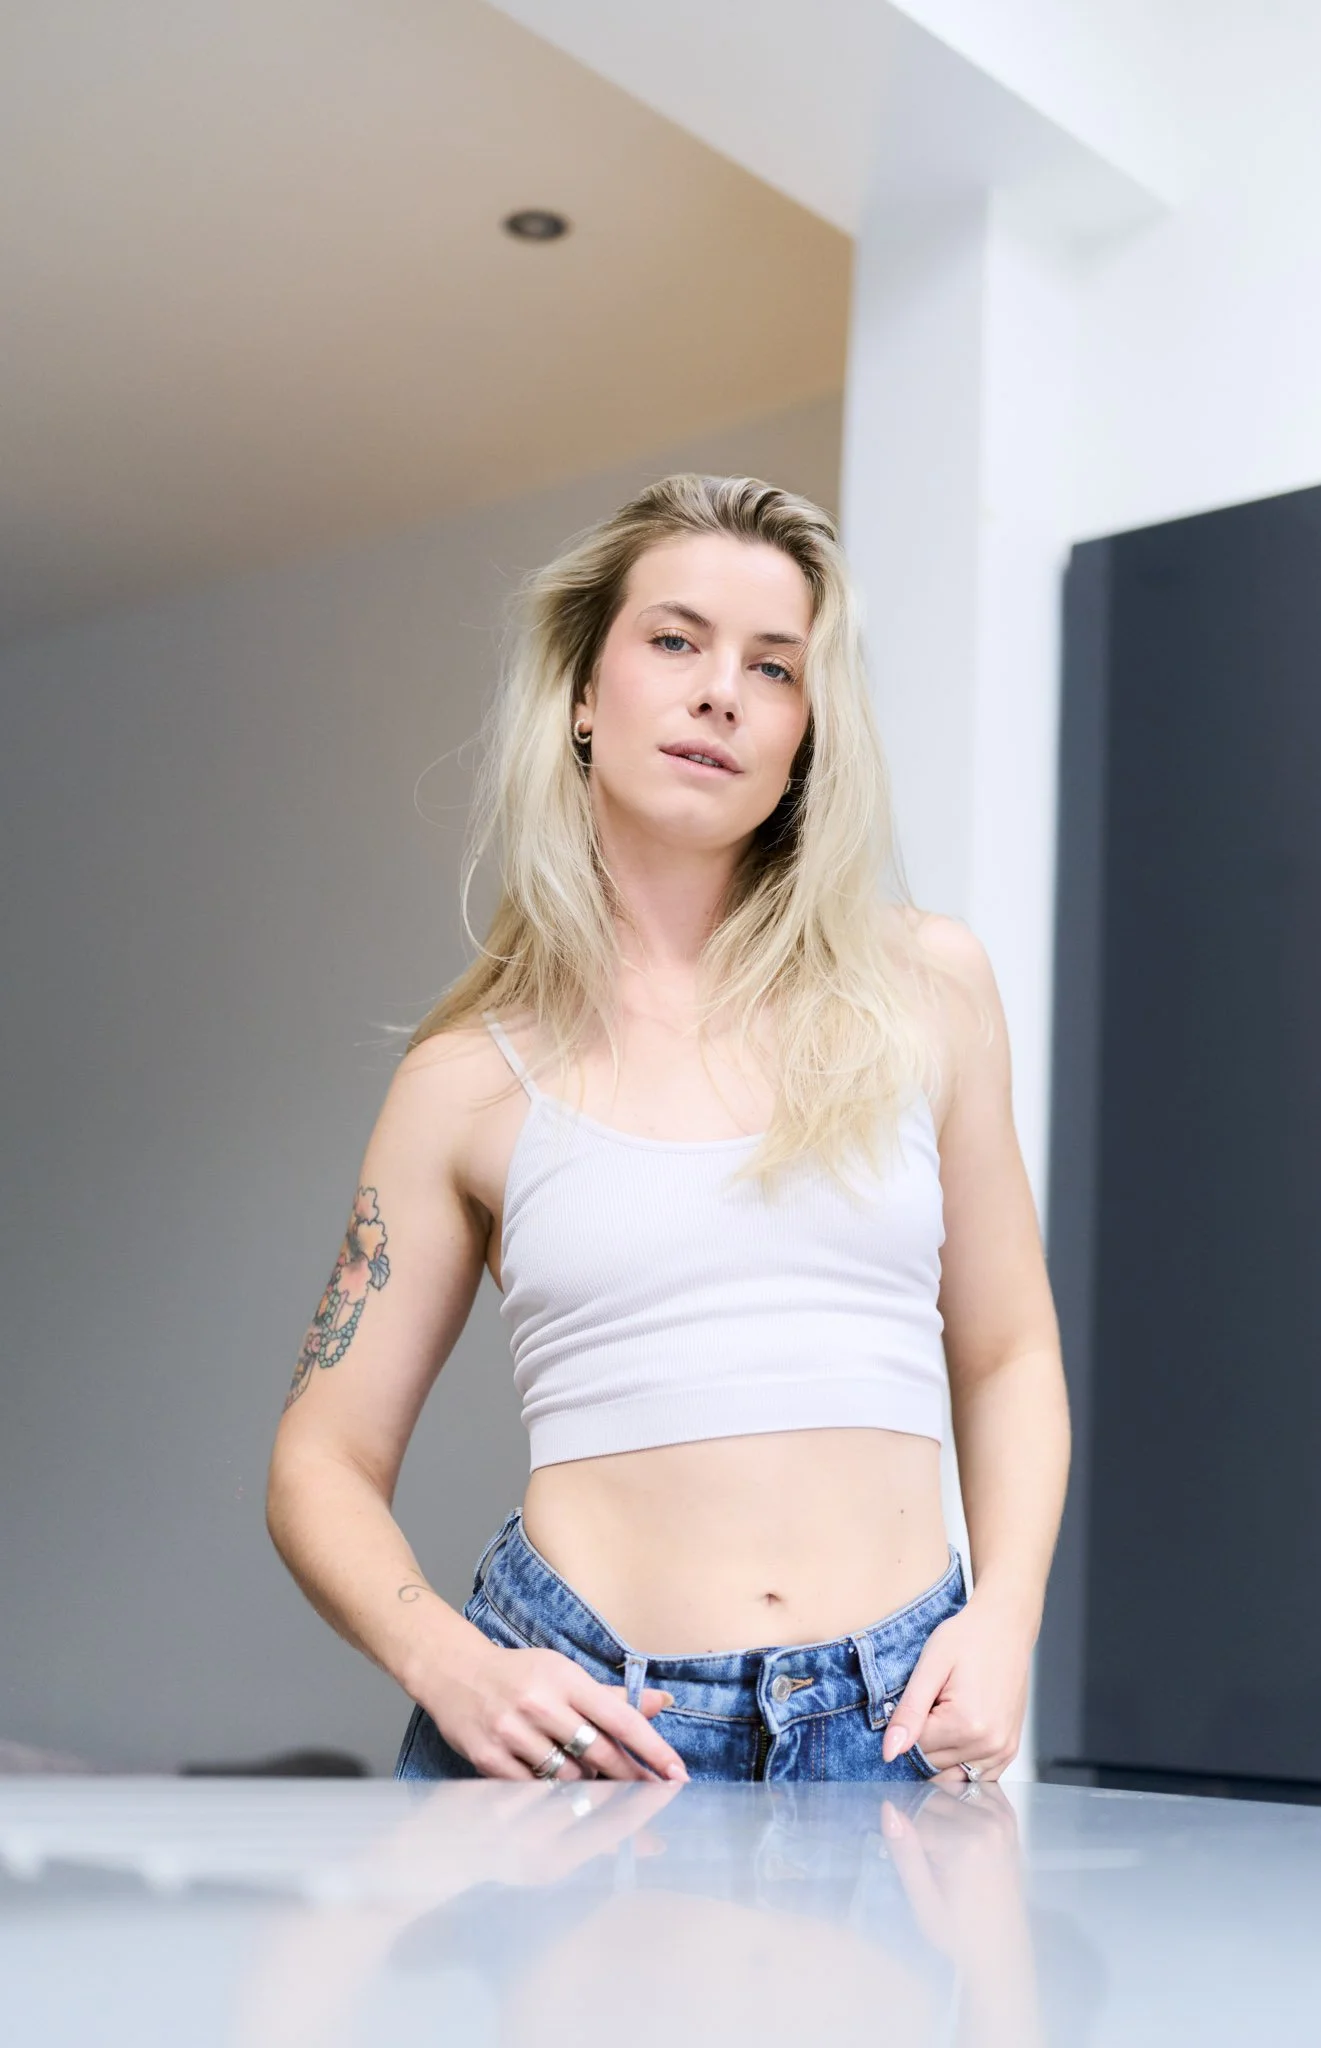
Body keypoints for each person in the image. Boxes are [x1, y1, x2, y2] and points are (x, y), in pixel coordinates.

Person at [265, 472, 1070, 1787]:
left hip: (890, 1724)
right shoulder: (467, 1078)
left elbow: (1007, 1352)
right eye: (676, 640)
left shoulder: (925, 987)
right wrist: (448, 1662)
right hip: (584, 1736)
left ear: (807, 732)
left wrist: (1008, 1619)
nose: (722, 694)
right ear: (584, 692)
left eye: (774, 667)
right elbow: (321, 1459)